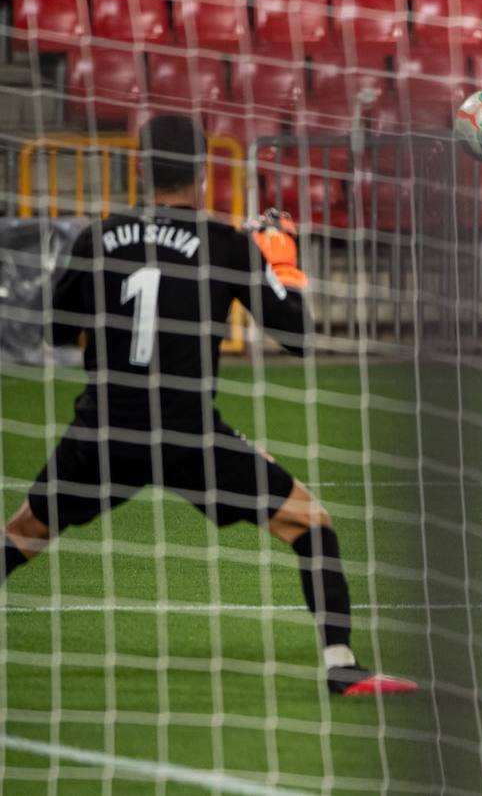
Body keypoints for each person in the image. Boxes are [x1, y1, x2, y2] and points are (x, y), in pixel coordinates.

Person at [0, 115, 416, 696]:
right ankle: (342, 667)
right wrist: (284, 262)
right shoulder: (226, 243)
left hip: (102, 433)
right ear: (203, 174)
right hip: (190, 437)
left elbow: (52, 329)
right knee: (311, 527)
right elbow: (296, 336)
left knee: (21, 534)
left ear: (140, 170)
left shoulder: (99, 236)